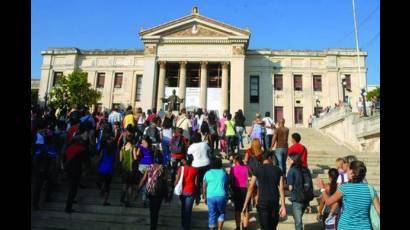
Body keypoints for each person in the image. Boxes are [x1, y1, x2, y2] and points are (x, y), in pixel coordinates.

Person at [317, 160, 380, 230]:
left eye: (348, 169)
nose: (346, 172)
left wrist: (322, 188)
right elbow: (378, 210)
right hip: (365, 227)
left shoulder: (344, 188)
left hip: (345, 226)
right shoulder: (370, 189)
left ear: (352, 173)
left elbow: (328, 201)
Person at [242, 151, 286, 230]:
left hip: (262, 201)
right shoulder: (278, 170)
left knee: (264, 227)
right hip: (274, 201)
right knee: (273, 227)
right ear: (269, 158)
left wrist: (245, 204)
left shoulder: (257, 169)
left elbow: (251, 187)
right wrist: (283, 205)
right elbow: (282, 188)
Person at [64, 122, 91, 213]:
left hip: (69, 166)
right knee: (73, 187)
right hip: (76, 168)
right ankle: (68, 207)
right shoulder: (82, 147)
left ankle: (70, 202)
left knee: (72, 186)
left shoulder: (73, 142)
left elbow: (66, 153)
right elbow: (85, 159)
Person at [138, 154, 169, 230]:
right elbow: (165, 182)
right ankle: (153, 226)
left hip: (150, 192)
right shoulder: (163, 168)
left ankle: (152, 226)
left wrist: (138, 188)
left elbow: (144, 179)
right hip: (159, 193)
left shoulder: (149, 167)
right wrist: (167, 194)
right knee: (156, 210)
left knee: (152, 210)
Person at [32, 120, 57, 210]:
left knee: (45, 183)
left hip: (44, 165)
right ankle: (36, 203)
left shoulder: (46, 137)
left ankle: (45, 198)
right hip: (42, 167)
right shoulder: (38, 140)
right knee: (39, 185)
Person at [286, 153, 311, 230]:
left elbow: (290, 188)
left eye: (289, 159)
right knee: (298, 218)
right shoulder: (306, 169)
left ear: (293, 161)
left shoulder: (292, 170)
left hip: (297, 198)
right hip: (306, 198)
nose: (287, 161)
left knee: (298, 222)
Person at [203, 157, 229, 230]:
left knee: (212, 214)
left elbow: (204, 186)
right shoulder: (223, 173)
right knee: (221, 213)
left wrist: (204, 196)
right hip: (221, 195)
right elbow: (226, 184)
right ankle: (219, 228)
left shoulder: (207, 173)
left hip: (210, 196)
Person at [175, 155, 198, 230]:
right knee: (188, 210)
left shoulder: (180, 169)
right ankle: (187, 226)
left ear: (185, 161)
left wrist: (174, 186)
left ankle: (183, 224)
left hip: (182, 191)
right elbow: (196, 184)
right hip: (191, 192)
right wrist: (197, 194)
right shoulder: (195, 170)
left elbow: (177, 180)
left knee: (183, 208)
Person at [188, 132, 211, 204]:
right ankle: (206, 196)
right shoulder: (205, 144)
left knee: (196, 182)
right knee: (206, 181)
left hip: (196, 165)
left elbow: (189, 155)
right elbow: (209, 151)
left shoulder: (192, 146)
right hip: (206, 164)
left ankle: (197, 198)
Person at [96, 131, 118, 206]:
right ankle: (105, 201)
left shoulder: (104, 150)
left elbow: (100, 159)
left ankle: (102, 187)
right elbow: (115, 161)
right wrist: (114, 169)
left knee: (101, 182)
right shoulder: (115, 151)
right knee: (108, 185)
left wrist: (98, 165)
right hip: (110, 169)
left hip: (102, 168)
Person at [229, 155, 250, 230]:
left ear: (236, 160)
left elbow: (231, 181)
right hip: (246, 190)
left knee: (237, 209)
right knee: (246, 209)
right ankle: (245, 227)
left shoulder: (233, 169)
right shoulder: (247, 168)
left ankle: (238, 227)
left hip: (236, 190)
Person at [119, 130, 138, 207]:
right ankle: (128, 201)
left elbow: (120, 159)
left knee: (124, 184)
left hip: (124, 168)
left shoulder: (122, 147)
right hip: (131, 169)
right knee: (130, 185)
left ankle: (122, 196)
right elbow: (135, 158)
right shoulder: (133, 147)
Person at [136, 136, 156, 207]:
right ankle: (145, 199)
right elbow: (154, 156)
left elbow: (137, 154)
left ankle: (140, 193)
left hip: (142, 165)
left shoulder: (140, 146)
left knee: (143, 182)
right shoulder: (152, 147)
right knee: (148, 182)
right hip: (150, 165)